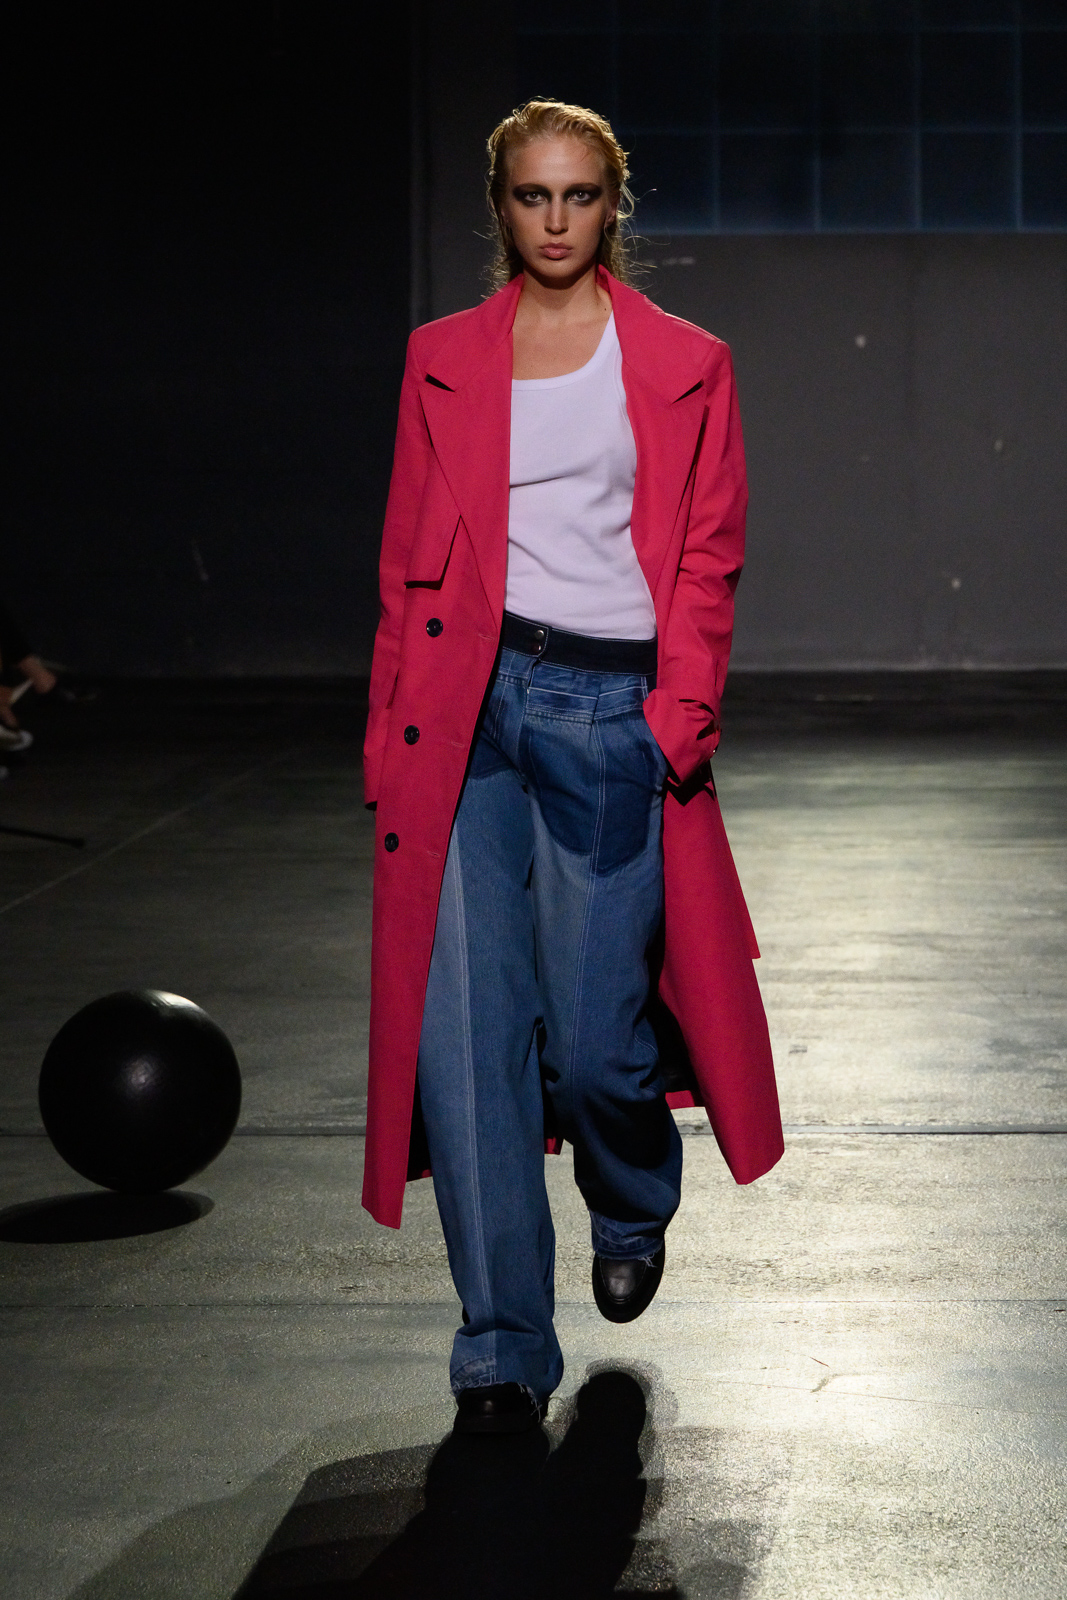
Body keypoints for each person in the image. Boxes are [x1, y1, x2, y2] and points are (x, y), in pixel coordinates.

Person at [362, 100, 784, 1434]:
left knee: (598, 1043)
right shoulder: (441, 358)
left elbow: (708, 554)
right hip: (462, 713)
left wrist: (680, 717)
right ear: (500, 204)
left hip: (607, 712)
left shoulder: (685, 363)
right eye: (532, 196)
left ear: (614, 205)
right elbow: (406, 564)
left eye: (580, 195)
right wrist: (386, 738)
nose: (556, 220)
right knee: (467, 1040)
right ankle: (499, 1349)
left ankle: (631, 1196)